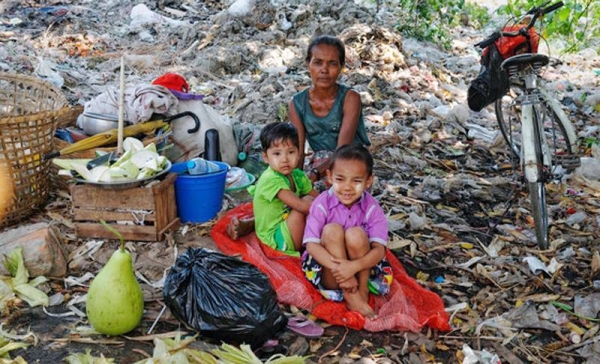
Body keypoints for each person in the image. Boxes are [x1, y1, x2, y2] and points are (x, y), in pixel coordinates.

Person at [301, 144, 392, 318]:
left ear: (368, 181)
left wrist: (353, 267)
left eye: (356, 181)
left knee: (356, 234)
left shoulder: (372, 207)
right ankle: (351, 294)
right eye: (340, 179)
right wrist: (343, 272)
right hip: (329, 271)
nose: (347, 187)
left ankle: (362, 290)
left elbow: (379, 250)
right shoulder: (321, 203)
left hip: (360, 271)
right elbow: (311, 245)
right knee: (331, 230)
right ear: (329, 177)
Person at [227, 122, 319, 256]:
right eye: (277, 154)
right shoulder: (271, 180)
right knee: (304, 207)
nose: (285, 159)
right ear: (266, 157)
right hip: (275, 237)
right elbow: (302, 206)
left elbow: (317, 197)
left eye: (291, 152)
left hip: (287, 224)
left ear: (299, 153)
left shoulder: (297, 175)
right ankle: (305, 246)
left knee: (311, 201)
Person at [288, 35, 371, 183]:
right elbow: (299, 151)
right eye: (318, 63)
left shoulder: (350, 99)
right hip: (320, 164)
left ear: (341, 67)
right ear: (308, 64)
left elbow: (342, 150)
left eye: (332, 63)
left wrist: (314, 174)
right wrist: (295, 181)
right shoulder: (297, 104)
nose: (324, 70)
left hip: (350, 161)